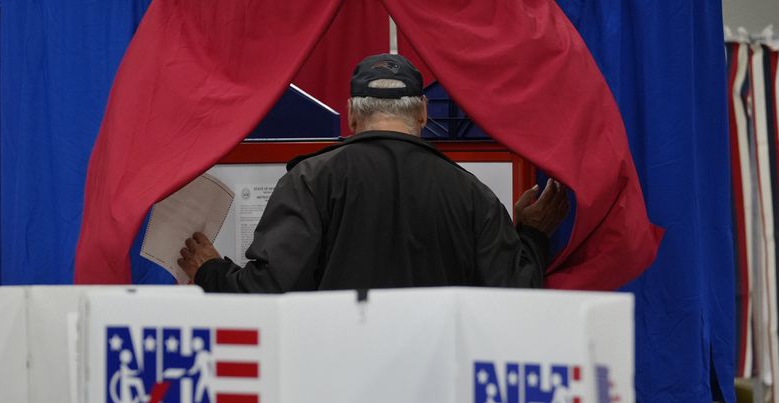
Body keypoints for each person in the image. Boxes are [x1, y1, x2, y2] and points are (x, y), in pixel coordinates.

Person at [178, 53, 568, 292]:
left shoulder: (310, 181)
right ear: (422, 113)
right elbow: (514, 291)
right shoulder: (472, 193)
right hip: (433, 385)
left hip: (342, 382)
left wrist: (211, 271)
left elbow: (271, 287)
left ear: (351, 115)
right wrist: (532, 234)